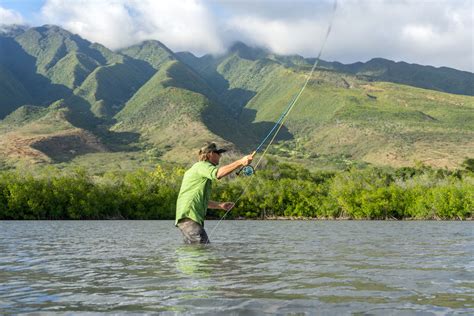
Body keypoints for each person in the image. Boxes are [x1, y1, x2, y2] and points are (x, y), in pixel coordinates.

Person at [175, 142, 254, 244]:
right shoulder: (202, 166)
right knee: (202, 249)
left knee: (195, 252)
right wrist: (241, 162)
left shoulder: (197, 170)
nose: (220, 156)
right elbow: (218, 174)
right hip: (190, 217)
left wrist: (220, 206)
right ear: (210, 154)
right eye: (218, 153)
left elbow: (200, 199)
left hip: (186, 218)